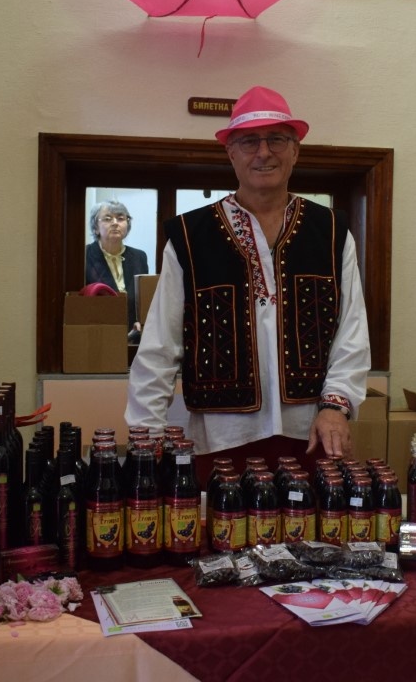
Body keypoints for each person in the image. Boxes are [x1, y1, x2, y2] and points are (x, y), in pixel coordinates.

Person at [126, 86, 370, 477]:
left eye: (277, 139)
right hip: (220, 440)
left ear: (295, 150)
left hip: (313, 433)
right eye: (249, 141)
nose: (264, 152)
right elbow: (159, 345)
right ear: (231, 152)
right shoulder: (189, 236)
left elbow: (351, 331)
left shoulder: (332, 232)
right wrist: (147, 437)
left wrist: (336, 406)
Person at [84, 200, 150, 341]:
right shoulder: (84, 255)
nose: (115, 223)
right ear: (95, 228)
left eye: (120, 218)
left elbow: (144, 298)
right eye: (107, 218)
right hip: (98, 335)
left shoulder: (139, 257)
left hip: (135, 337)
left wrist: (142, 322)